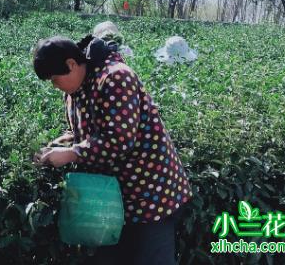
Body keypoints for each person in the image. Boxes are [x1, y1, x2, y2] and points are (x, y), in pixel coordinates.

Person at [32, 35, 192, 264]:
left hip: (151, 195)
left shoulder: (116, 77)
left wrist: (72, 153)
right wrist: (56, 147)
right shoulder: (75, 91)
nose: (55, 86)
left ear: (71, 65)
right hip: (114, 199)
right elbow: (80, 133)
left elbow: (118, 139)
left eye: (54, 79)